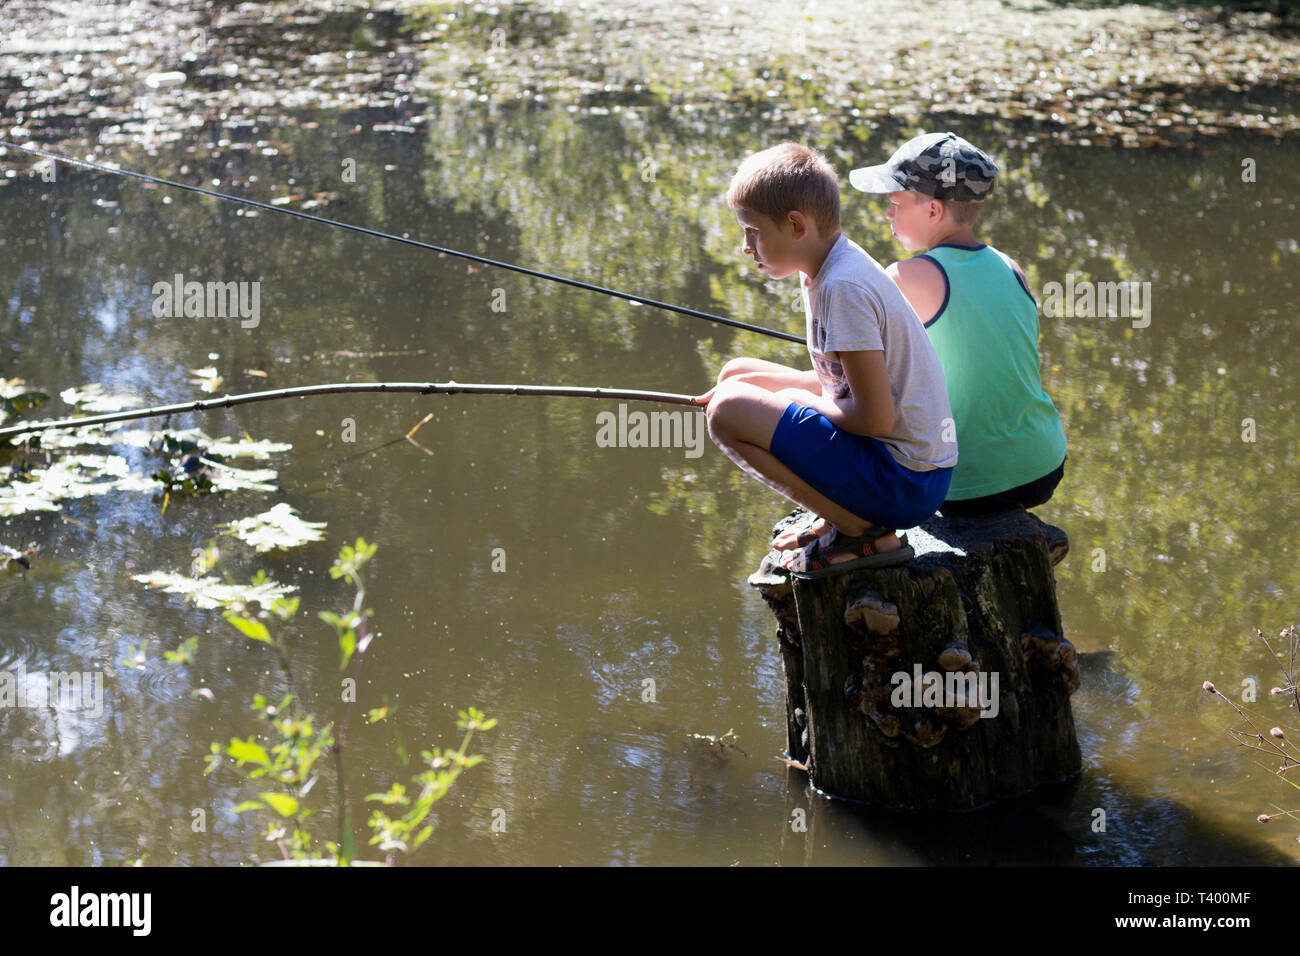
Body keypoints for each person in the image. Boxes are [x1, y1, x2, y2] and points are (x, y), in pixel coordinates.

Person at [695, 142, 956, 576]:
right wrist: (757, 393)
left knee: (726, 412)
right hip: (901, 466)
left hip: (907, 480)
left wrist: (790, 406)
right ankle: (846, 513)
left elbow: (875, 419)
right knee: (734, 374)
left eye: (753, 231)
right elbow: (842, 385)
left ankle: (860, 530)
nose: (746, 246)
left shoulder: (843, 288)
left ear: (796, 225)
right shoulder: (822, 266)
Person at [850, 131, 1067, 516]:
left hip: (968, 482)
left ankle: (855, 537)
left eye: (895, 202)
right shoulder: (1008, 265)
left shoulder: (905, 277)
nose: (887, 214)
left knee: (851, 415)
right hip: (1044, 464)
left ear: (933, 211)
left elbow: (862, 382)